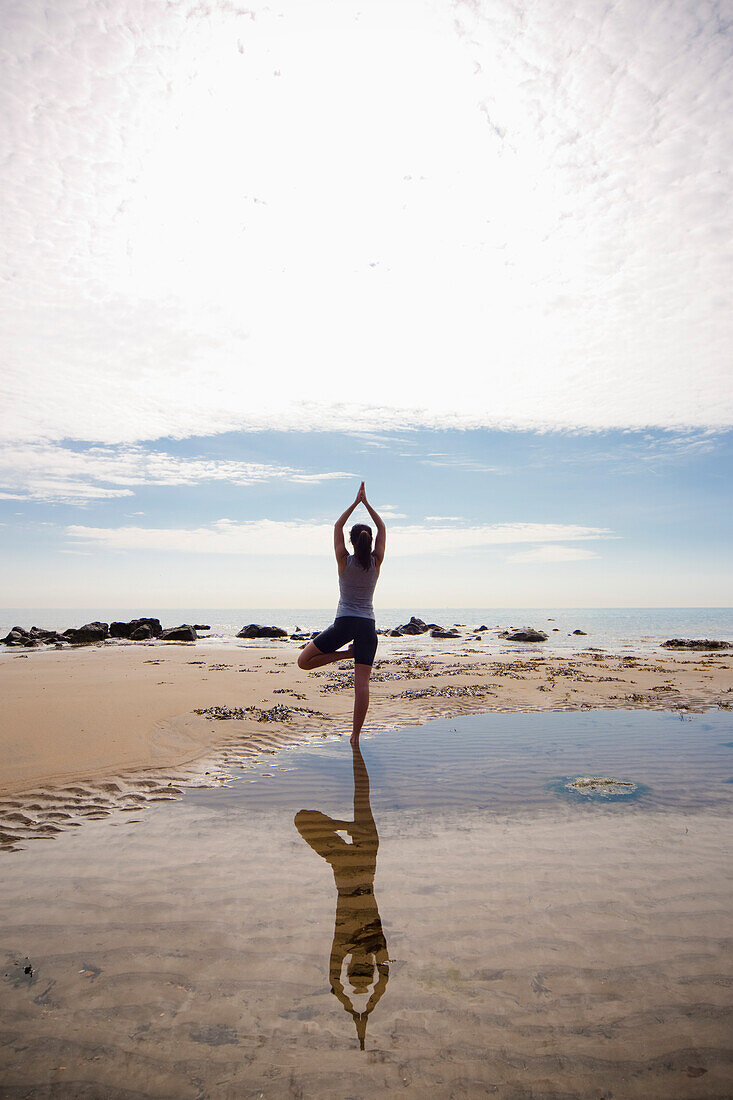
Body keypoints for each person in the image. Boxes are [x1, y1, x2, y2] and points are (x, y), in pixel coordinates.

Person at [294, 738, 389, 1050]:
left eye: (356, 970)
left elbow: (341, 983)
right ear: (368, 967)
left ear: (352, 966)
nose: (361, 965)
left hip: (351, 862)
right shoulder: (360, 943)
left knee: (307, 816)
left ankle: (356, 751)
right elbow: (336, 984)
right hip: (358, 859)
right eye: (366, 970)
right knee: (362, 796)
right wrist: (359, 1010)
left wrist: (360, 1011)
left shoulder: (352, 944)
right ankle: (356, 751)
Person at [297, 481, 386, 743]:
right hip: (367, 627)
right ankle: (355, 737)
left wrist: (356, 503)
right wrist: (367, 504)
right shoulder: (376, 562)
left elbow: (337, 526)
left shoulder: (342, 561)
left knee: (304, 662)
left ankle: (345, 654)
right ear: (369, 544)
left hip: (345, 623)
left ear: (352, 541)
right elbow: (382, 528)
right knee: (362, 685)